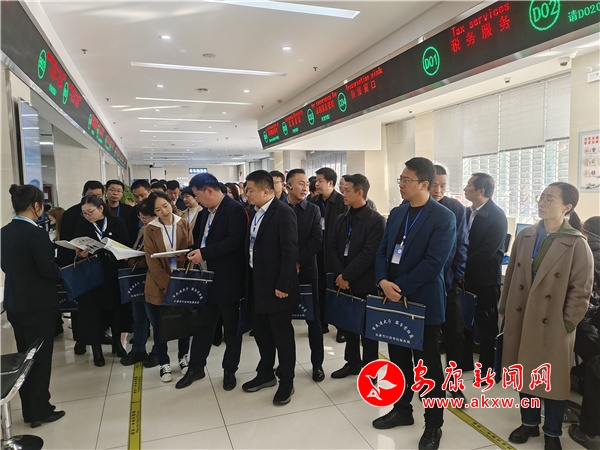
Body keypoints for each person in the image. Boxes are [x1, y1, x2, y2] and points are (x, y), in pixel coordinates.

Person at [499, 182, 593, 450]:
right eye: (541, 197)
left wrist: (567, 323)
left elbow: (581, 290)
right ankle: (529, 423)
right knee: (525, 373)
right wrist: (505, 309)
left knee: (552, 378)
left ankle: (552, 431)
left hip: (553, 323)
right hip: (521, 317)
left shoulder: (576, 242)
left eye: (549, 199)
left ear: (567, 207)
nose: (542, 202)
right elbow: (511, 277)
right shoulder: (526, 235)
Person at [373, 157, 455, 450]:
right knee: (398, 360)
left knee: (428, 366)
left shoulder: (443, 217)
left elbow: (434, 263)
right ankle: (402, 409)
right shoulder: (398, 213)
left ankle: (433, 424)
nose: (401, 185)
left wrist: (400, 287)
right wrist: (382, 281)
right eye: (400, 179)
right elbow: (383, 250)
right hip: (392, 298)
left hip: (423, 303)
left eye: (406, 180)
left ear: (424, 184)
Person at [1, 184, 65, 428]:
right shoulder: (35, 234)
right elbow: (46, 269)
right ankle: (40, 410)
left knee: (25, 358)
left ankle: (29, 409)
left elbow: (5, 266)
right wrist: (61, 272)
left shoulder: (4, 232)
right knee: (40, 358)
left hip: (15, 303)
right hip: (38, 305)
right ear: (36, 206)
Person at [176, 173, 247, 391]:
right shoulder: (206, 212)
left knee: (231, 330)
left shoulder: (234, 209)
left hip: (228, 280)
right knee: (203, 326)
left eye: (197, 196)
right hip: (206, 279)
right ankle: (196, 368)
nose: (197, 201)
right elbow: (202, 240)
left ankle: (229, 371)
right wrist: (191, 251)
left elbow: (234, 241)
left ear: (208, 191)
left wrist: (204, 253)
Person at [242, 170, 299, 406]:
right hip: (257, 283)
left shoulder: (283, 212)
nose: (246, 194)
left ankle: (287, 381)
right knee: (262, 333)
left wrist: (283, 284)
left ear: (266, 191)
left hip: (277, 287)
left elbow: (290, 251)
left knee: (282, 336)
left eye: (250, 190)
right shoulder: (253, 212)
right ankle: (265, 373)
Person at [329, 174, 384, 378]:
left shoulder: (376, 220)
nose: (343, 193)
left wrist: (347, 276)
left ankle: (370, 371)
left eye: (347, 190)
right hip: (342, 282)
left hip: (364, 283)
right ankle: (352, 363)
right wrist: (340, 275)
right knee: (348, 325)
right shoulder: (342, 218)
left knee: (368, 330)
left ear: (360, 192)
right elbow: (332, 248)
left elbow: (369, 254)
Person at [143, 191, 193, 382]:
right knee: (160, 326)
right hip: (158, 284)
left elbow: (191, 251)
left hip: (181, 280)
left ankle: (183, 358)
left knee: (184, 322)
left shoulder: (183, 223)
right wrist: (169, 285)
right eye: (158, 209)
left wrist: (185, 266)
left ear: (170, 203)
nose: (164, 211)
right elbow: (152, 262)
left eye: (165, 206)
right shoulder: (150, 229)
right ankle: (164, 363)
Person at [74, 195, 130, 366]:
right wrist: (80, 253)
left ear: (101, 208)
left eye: (90, 212)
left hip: (113, 273)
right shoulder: (82, 226)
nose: (87, 216)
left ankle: (117, 343)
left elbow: (125, 244)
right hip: (92, 275)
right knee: (94, 312)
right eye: (84, 213)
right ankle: (96, 349)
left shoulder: (116, 222)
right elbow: (76, 249)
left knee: (116, 310)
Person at [462, 173, 507, 373]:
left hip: (485, 280)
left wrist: (462, 267)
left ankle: (488, 368)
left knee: (486, 325)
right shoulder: (466, 212)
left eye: (469, 185)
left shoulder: (497, 216)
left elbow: (486, 251)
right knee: (464, 323)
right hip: (465, 279)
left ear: (481, 191)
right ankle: (464, 363)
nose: (465, 189)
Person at [430, 165, 468, 395]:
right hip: (424, 286)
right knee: (429, 338)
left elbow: (462, 242)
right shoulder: (409, 207)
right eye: (434, 184)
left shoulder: (455, 208)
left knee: (455, 334)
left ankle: (454, 383)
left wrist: (457, 274)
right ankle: (430, 382)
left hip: (448, 282)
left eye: (443, 185)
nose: (438, 190)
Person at [286, 168, 325, 382]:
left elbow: (316, 240)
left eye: (306, 184)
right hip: (283, 273)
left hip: (308, 272)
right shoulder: (278, 208)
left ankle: (317, 364)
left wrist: (298, 261)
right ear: (288, 185)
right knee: (283, 321)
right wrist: (288, 264)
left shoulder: (313, 210)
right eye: (300, 183)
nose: (305, 187)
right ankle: (285, 366)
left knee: (313, 319)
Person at [119, 198, 160, 368]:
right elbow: (137, 248)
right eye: (141, 217)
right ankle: (138, 349)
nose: (143, 220)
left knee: (155, 318)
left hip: (152, 280)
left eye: (146, 217)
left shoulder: (161, 231)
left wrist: (133, 258)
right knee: (138, 317)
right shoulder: (143, 229)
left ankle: (158, 352)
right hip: (137, 277)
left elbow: (156, 259)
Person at [310, 167, 347, 342]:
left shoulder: (341, 202)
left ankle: (341, 328)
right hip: (317, 254)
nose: (316, 184)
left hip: (334, 255)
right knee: (320, 291)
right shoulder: (313, 202)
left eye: (320, 181)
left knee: (336, 292)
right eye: (316, 180)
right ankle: (322, 323)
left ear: (330, 183)